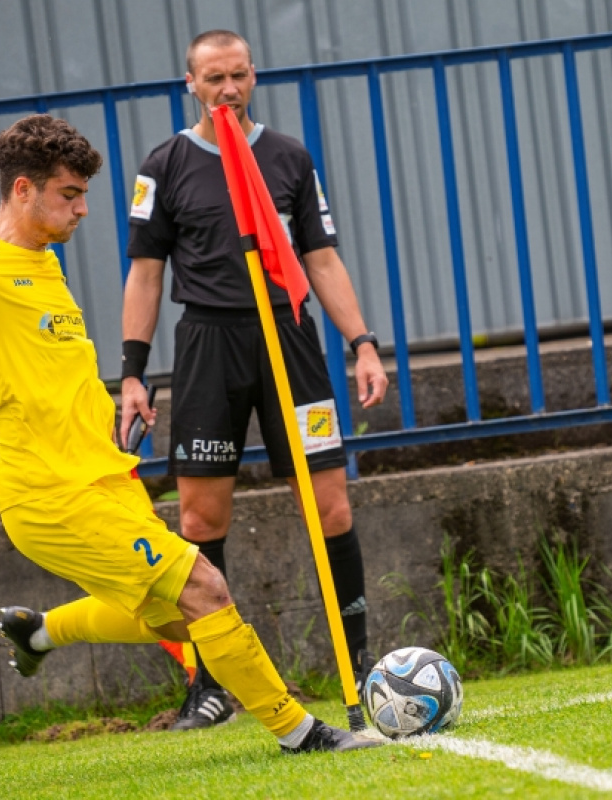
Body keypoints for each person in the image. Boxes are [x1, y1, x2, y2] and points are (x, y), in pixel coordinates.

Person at [0, 113, 384, 755]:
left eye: (83, 195)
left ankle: (40, 633)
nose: (82, 210)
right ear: (23, 190)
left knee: (175, 617)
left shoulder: (45, 266)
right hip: (51, 495)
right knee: (206, 588)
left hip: (106, 480)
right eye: (69, 195)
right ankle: (302, 734)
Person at [121, 30, 389, 731]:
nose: (228, 91)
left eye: (238, 76)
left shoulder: (289, 156)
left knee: (330, 509)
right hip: (209, 346)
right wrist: (132, 372)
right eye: (214, 79)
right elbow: (146, 273)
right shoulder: (165, 165)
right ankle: (211, 685)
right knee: (200, 521)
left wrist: (362, 344)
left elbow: (321, 257)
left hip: (291, 343)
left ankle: (358, 666)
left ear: (253, 77)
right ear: (190, 84)